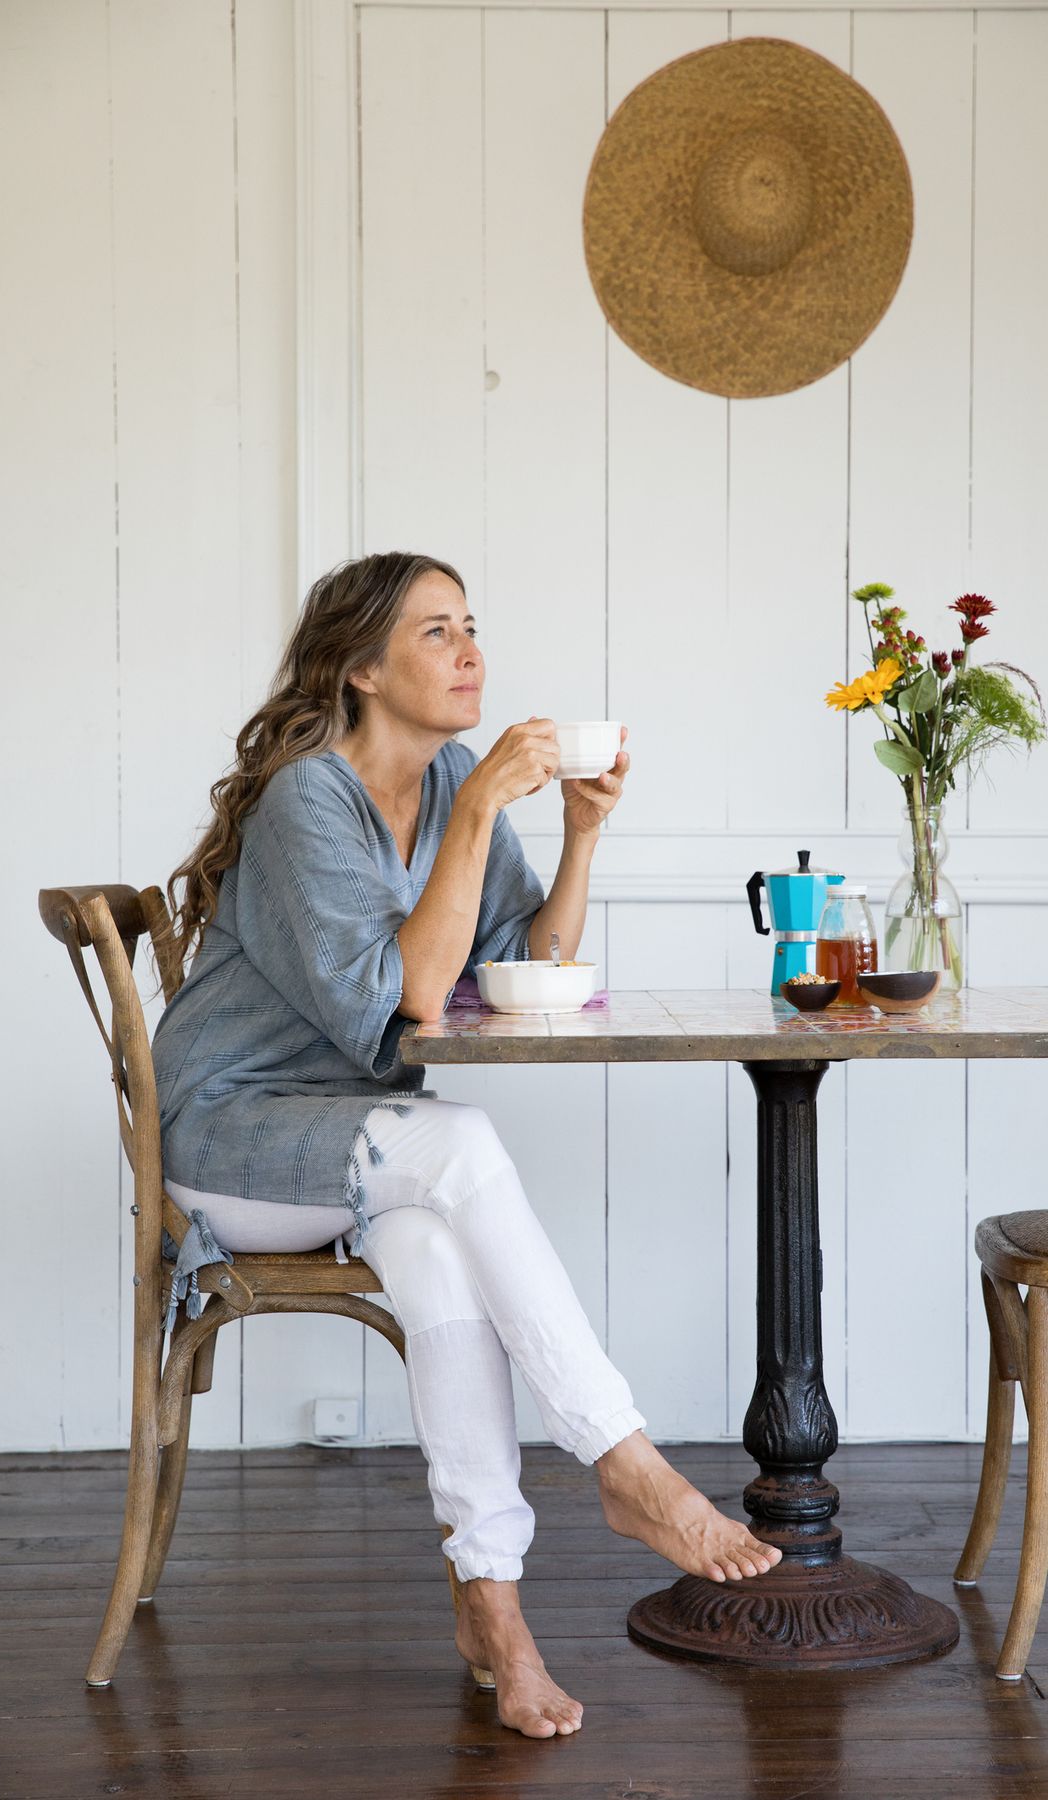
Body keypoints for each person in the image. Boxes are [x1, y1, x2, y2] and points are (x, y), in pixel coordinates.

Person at [153, 551, 781, 1740]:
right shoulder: (308, 802)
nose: (470, 651)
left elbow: (525, 969)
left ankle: (495, 1610)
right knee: (458, 1140)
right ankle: (624, 1460)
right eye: (436, 632)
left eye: (471, 626)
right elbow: (415, 996)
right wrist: (488, 803)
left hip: (357, 1141)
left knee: (440, 1248)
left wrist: (581, 836)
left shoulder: (448, 780)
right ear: (360, 669)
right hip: (231, 1139)